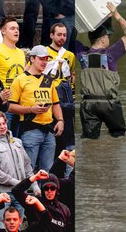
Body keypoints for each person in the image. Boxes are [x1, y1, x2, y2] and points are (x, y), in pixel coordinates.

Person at [75, 2, 126, 139]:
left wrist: (82, 19)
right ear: (103, 39)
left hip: (88, 105)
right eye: (108, 36)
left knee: (89, 141)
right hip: (109, 104)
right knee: (119, 137)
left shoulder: (81, 54)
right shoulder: (111, 54)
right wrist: (116, 14)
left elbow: (70, 35)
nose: (109, 38)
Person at [9, 45, 64, 172]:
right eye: (41, 59)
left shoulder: (48, 80)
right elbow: (10, 107)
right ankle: (26, 191)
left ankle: (46, 191)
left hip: (49, 129)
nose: (44, 62)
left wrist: (60, 120)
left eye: (46, 59)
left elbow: (55, 103)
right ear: (32, 59)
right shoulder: (20, 80)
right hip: (30, 128)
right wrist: (31, 109)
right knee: (28, 168)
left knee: (47, 169)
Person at [0, 111, 40, 228]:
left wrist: (35, 186)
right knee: (0, 226)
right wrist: (18, 183)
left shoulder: (17, 142)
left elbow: (27, 165)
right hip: (3, 193)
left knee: (17, 226)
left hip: (20, 193)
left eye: (4, 123)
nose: (2, 127)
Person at [43, 23, 75, 156]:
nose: (62, 37)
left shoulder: (70, 55)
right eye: (59, 34)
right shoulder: (43, 52)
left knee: (68, 136)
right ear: (51, 35)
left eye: (64, 35)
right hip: (49, 96)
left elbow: (72, 76)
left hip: (66, 97)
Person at [0, 17, 25, 132]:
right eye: (12, 28)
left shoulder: (21, 53)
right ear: (3, 31)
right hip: (4, 105)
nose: (16, 31)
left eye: (18, 29)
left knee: (16, 142)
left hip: (20, 104)